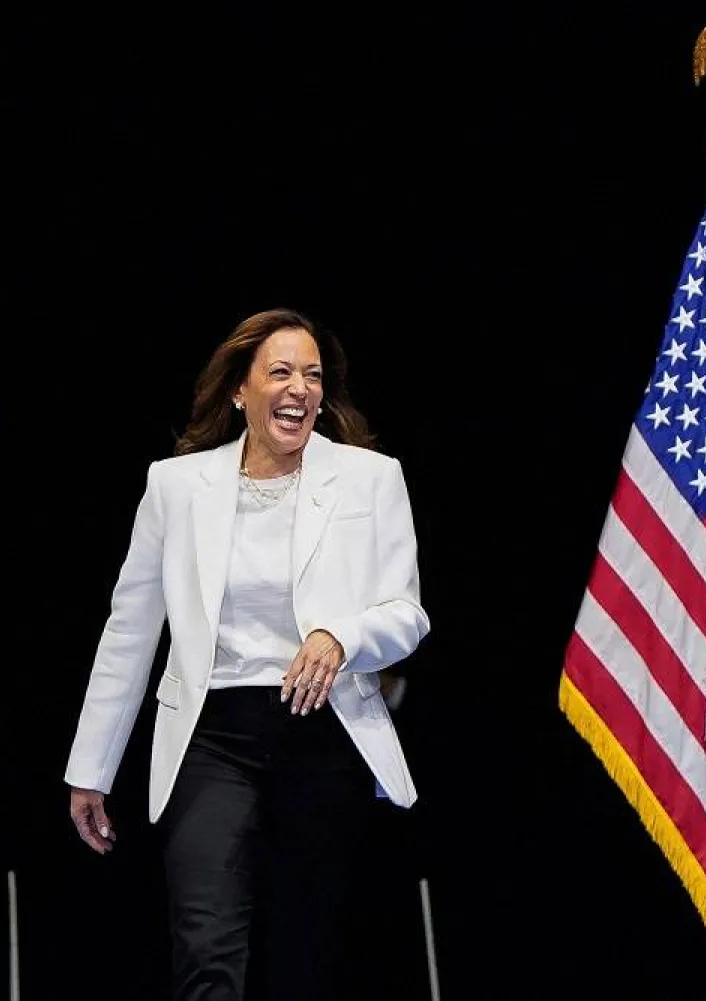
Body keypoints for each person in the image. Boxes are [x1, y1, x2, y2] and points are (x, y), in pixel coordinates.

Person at [64, 308, 431, 1001]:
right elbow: (130, 629)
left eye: (313, 376)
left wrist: (340, 636)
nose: (300, 389)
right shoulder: (176, 487)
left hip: (324, 735)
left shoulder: (372, 478)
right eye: (282, 372)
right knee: (206, 945)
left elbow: (406, 614)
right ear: (240, 389)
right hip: (212, 739)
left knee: (303, 952)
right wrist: (92, 766)